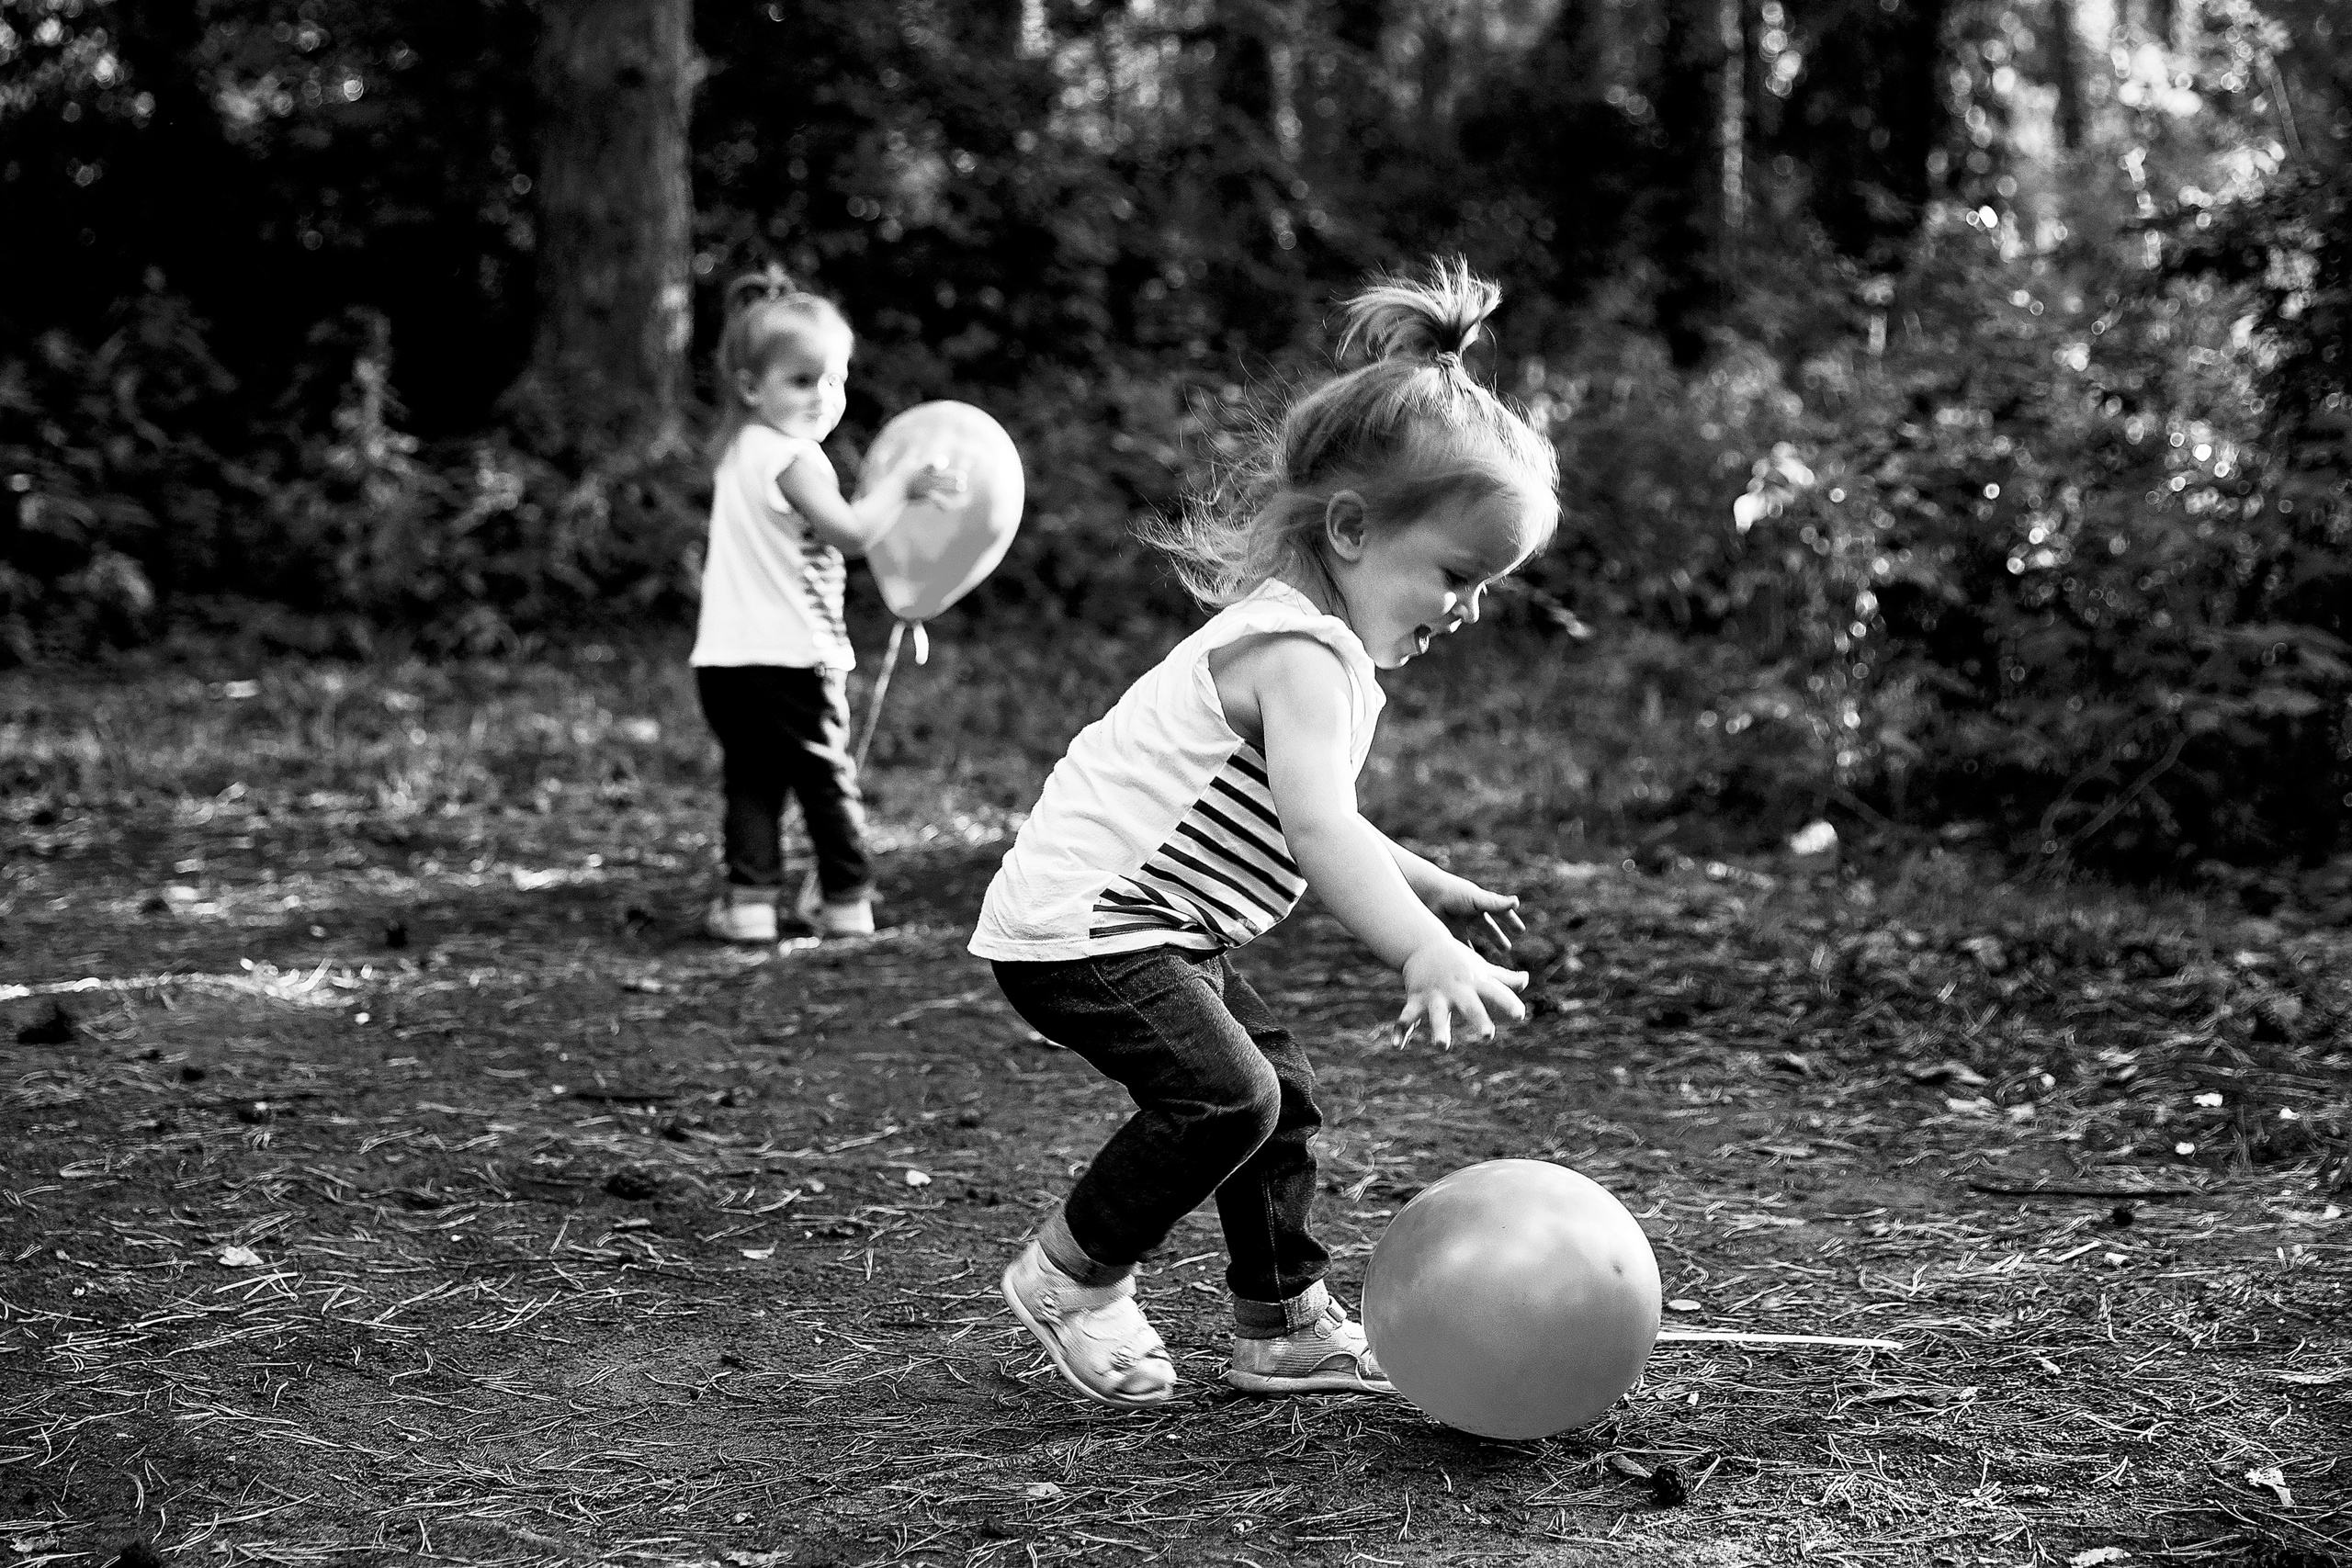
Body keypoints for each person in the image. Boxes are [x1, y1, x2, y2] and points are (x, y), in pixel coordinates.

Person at [970, 258, 1559, 1408]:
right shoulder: (1299, 654)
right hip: (1087, 927)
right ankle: (1071, 1275)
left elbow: (1320, 814)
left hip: (1143, 928)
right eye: (1456, 573)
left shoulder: (1307, 646)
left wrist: (1432, 886)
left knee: (1275, 1095)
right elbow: (1320, 827)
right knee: (1227, 1097)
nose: (1469, 606)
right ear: (1349, 527)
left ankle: (1281, 1324)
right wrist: (1418, 951)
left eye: (1489, 584)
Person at [692, 266, 961, 944]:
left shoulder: (737, 450)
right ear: (752, 387)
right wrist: (902, 486)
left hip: (725, 659)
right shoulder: (793, 458)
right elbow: (851, 533)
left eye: (835, 379)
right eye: (802, 380)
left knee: (751, 781)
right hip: (794, 657)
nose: (824, 396)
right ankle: (846, 900)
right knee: (823, 780)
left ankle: (751, 906)